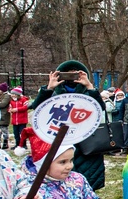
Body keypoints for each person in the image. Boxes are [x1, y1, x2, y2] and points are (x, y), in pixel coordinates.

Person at [31, 60, 107, 190]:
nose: (72, 77)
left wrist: (89, 86)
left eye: (76, 74)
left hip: (86, 142)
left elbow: (101, 108)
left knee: (87, 183)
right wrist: (49, 88)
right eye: (68, 74)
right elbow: (37, 108)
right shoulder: (54, 93)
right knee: (60, 184)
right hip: (59, 140)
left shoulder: (88, 93)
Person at [0, 83, 11, 149]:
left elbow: (2, 104)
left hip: (4, 115)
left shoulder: (7, 96)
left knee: (4, 130)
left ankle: (5, 143)